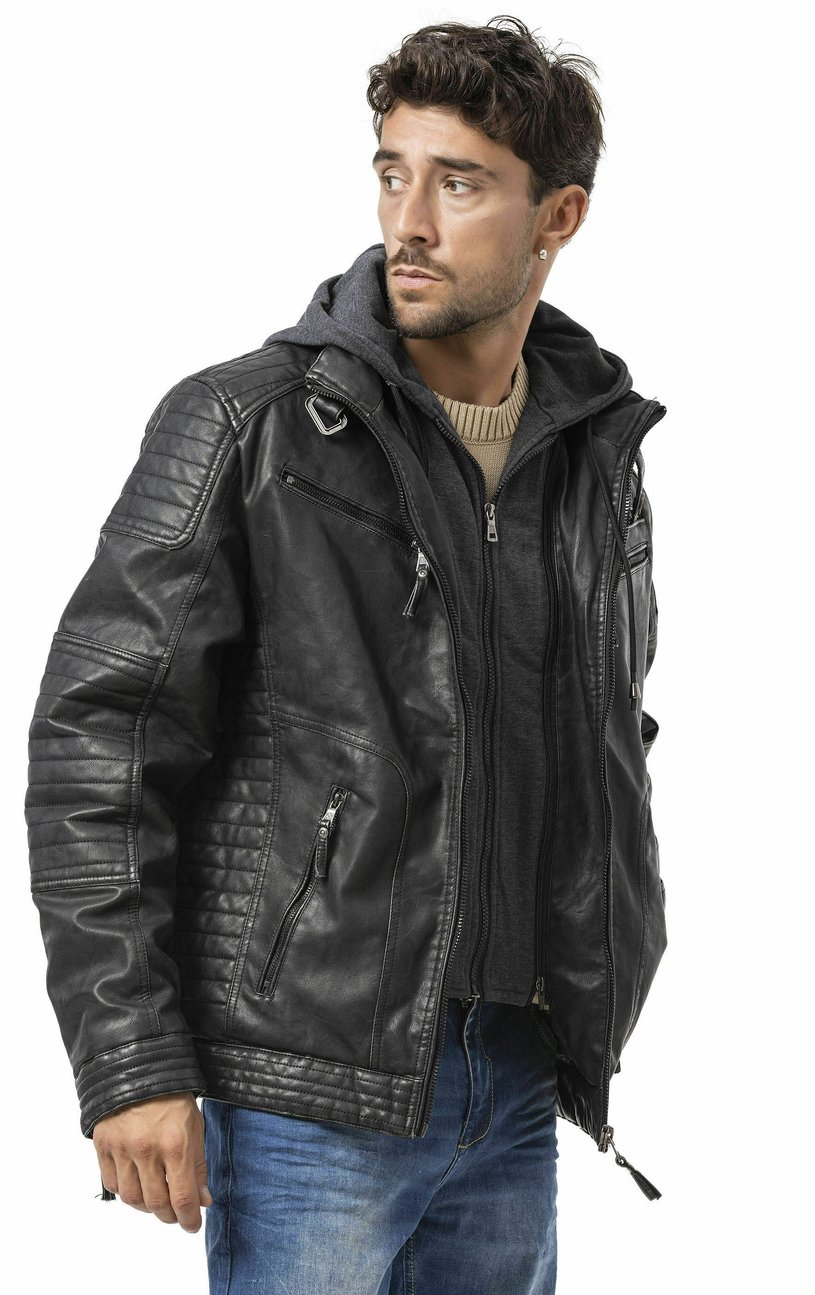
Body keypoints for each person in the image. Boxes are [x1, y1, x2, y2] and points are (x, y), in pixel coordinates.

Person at [24, 14, 670, 1293]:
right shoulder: (252, 424)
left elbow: (608, 734)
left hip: (517, 1070)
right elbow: (103, 741)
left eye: (460, 183)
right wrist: (130, 1056)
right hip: (308, 1084)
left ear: (559, 216)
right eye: (392, 172)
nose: (408, 221)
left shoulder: (590, 459)